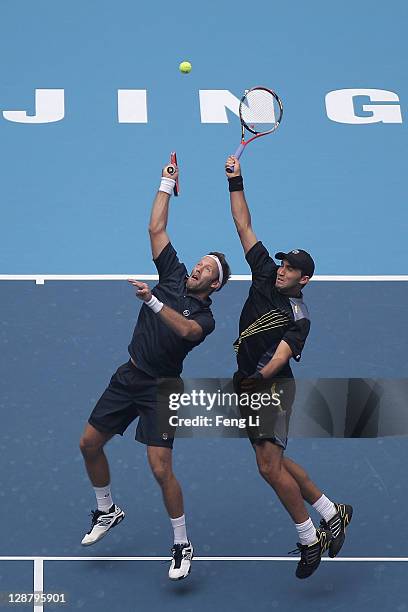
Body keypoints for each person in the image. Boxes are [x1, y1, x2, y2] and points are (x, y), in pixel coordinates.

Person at [79, 160, 230, 580]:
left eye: (208, 269)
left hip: (161, 390)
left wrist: (151, 301)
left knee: (161, 469)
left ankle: (182, 544)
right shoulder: (174, 275)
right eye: (199, 262)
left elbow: (181, 329)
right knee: (89, 444)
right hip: (129, 375)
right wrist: (166, 183)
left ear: (215, 285)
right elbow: (156, 230)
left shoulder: (205, 319)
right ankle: (107, 510)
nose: (199, 267)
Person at [225, 155, 352, 579]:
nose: (282, 270)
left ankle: (308, 536)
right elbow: (244, 225)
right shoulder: (264, 273)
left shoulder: (299, 315)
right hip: (250, 384)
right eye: (283, 264)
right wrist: (236, 180)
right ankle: (330, 511)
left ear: (305, 279)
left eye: (291, 269)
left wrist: (252, 380)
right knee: (275, 462)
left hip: (271, 388)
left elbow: (279, 356)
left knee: (267, 466)